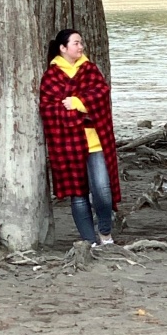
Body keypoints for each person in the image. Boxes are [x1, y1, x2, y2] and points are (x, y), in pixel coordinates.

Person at [39, 27, 122, 249]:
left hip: (95, 141)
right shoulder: (51, 77)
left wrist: (76, 102)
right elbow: (48, 109)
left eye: (81, 43)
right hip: (67, 144)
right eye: (76, 43)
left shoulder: (90, 70)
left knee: (102, 191)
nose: (81, 46)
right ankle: (89, 241)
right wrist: (74, 114)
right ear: (63, 48)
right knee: (78, 194)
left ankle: (105, 233)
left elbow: (102, 94)